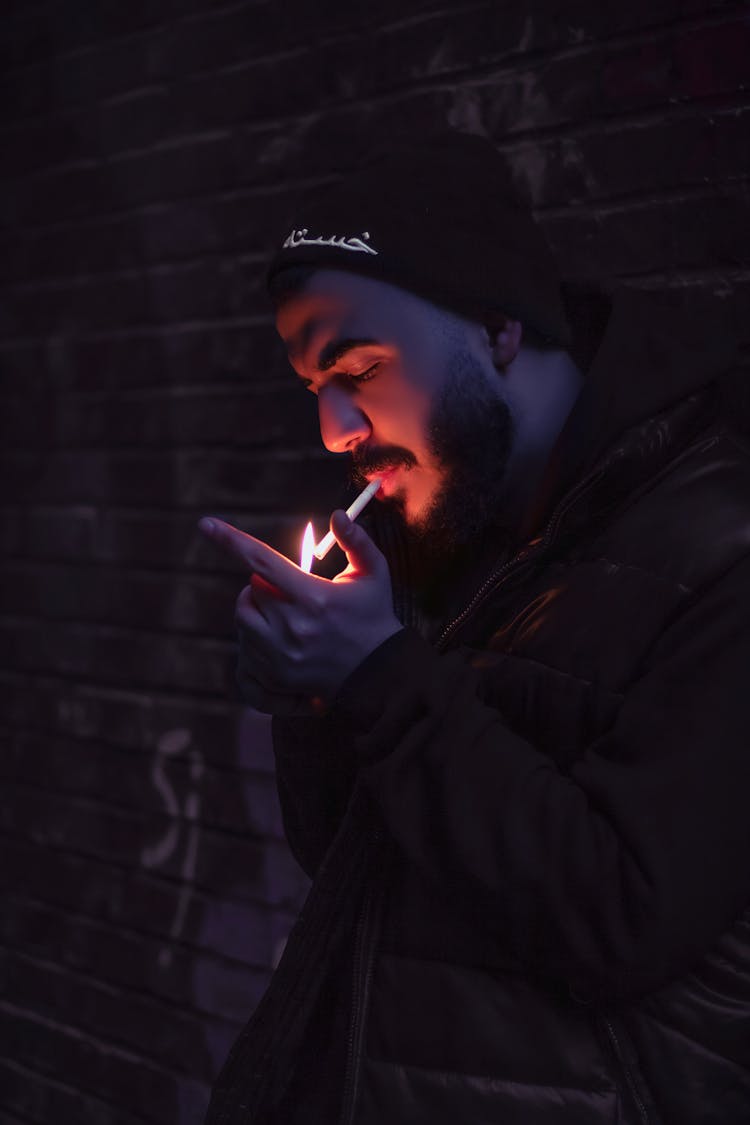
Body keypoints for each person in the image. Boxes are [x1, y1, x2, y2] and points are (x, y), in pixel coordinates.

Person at [200, 131, 750, 1124]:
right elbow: (358, 862)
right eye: (311, 387)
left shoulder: (721, 552)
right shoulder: (464, 532)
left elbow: (621, 916)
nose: (333, 429)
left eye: (357, 366)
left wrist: (377, 677)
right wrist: (315, 695)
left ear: (500, 329)